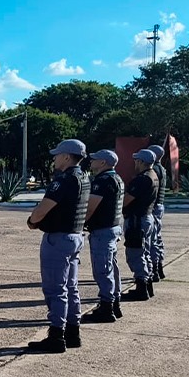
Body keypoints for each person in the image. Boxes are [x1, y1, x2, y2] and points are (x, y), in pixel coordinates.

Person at [26, 139, 91, 353]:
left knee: (55, 289)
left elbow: (43, 209)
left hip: (59, 238)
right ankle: (73, 332)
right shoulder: (84, 177)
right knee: (71, 287)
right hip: (75, 236)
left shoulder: (64, 179)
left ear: (66, 157)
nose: (54, 158)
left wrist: (32, 221)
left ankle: (56, 335)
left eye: (57, 155)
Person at [81, 150, 124, 324]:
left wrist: (79, 223)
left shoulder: (103, 181)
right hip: (112, 228)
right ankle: (115, 303)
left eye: (95, 160)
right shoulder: (117, 178)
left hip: (103, 231)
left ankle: (107, 307)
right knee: (111, 267)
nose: (91, 162)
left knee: (103, 270)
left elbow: (90, 208)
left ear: (103, 163)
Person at [122, 149, 159, 301]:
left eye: (137, 160)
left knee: (135, 254)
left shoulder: (142, 179)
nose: (135, 163)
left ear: (142, 162)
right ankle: (147, 284)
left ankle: (141, 287)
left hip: (137, 220)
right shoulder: (154, 175)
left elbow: (126, 200)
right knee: (144, 253)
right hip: (147, 217)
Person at [147, 144, 168, 281]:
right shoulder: (162, 169)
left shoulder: (154, 169)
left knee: (152, 239)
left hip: (153, 207)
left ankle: (154, 269)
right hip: (160, 205)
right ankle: (158, 266)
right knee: (157, 237)